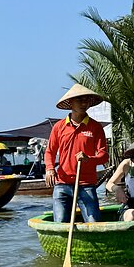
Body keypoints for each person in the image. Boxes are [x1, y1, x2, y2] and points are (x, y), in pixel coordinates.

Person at [44, 83, 111, 223]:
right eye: (79, 99)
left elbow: (104, 155)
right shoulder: (59, 127)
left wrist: (89, 158)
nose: (84, 103)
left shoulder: (95, 127)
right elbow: (50, 151)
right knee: (61, 223)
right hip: (62, 183)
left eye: (86, 100)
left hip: (86, 184)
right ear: (71, 103)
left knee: (93, 223)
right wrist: (50, 169)